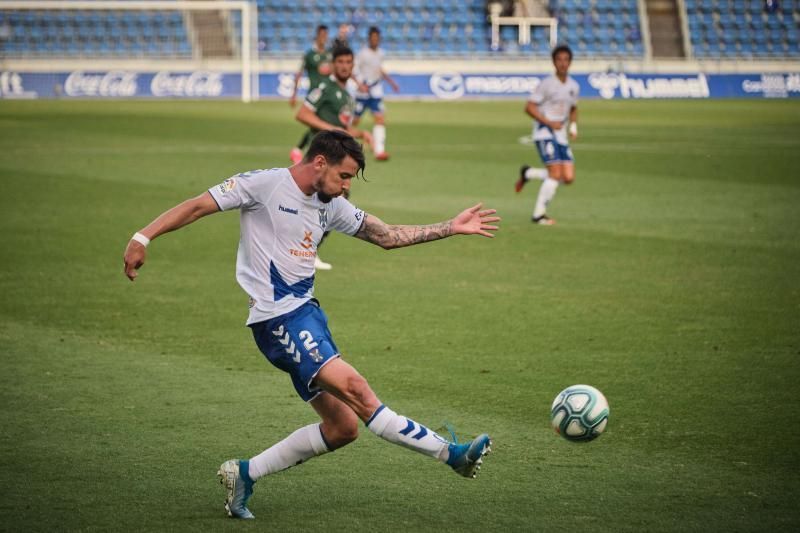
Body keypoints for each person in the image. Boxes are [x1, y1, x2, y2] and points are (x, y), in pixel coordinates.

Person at [122, 130, 500, 521]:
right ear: (320, 162)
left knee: (342, 427)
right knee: (357, 389)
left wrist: (450, 227)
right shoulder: (264, 185)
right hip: (277, 320)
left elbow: (385, 236)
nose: (346, 186)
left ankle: (246, 473)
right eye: (345, 176)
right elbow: (199, 205)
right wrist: (142, 237)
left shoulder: (330, 204)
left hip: (308, 315)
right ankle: (451, 455)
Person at [296, 45, 372, 270]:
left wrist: (360, 134)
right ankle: (306, 249)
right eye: (341, 62)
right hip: (319, 159)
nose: (345, 66)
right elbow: (302, 113)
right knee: (322, 202)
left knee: (329, 202)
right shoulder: (324, 87)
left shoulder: (349, 96)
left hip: (336, 160)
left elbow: (344, 128)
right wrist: (331, 131)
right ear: (333, 64)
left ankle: (307, 249)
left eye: (349, 62)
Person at [514, 44, 579, 225]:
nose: (563, 63)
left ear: (570, 62)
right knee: (555, 173)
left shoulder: (574, 86)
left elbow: (573, 108)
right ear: (553, 62)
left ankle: (528, 173)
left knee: (568, 177)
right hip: (544, 133)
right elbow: (529, 107)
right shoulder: (547, 84)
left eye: (566, 60)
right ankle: (538, 215)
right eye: (559, 60)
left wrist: (573, 126)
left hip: (561, 135)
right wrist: (549, 122)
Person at [352, 26, 400, 161]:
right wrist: (360, 85)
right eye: (373, 38)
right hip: (362, 92)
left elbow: (379, 69)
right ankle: (342, 144)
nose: (375, 40)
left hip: (376, 91)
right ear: (369, 39)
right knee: (354, 121)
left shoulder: (381, 53)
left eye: (377, 38)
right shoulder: (362, 54)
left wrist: (391, 82)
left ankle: (379, 151)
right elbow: (353, 70)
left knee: (380, 118)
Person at [288, 25, 333, 164]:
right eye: (321, 35)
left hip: (327, 94)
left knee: (319, 124)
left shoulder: (329, 54)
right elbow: (299, 73)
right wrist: (294, 94)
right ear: (317, 36)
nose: (323, 38)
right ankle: (305, 152)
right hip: (315, 95)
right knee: (319, 123)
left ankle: (299, 150)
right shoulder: (309, 55)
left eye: (326, 35)